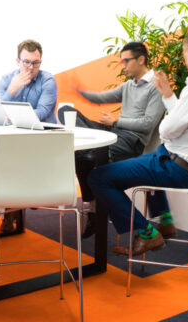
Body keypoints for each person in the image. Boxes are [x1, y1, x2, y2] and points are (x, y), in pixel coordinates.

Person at [87, 26, 188, 255]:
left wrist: (123, 121)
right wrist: (168, 95)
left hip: (177, 167)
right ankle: (163, 222)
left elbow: (167, 129)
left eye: (185, 53)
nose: (185, 58)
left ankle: (147, 233)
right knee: (139, 162)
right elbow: (184, 122)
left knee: (98, 177)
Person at [57, 41, 165, 238]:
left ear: (141, 59)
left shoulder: (155, 88)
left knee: (84, 156)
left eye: (126, 60)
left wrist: (116, 121)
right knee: (65, 111)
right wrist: (78, 90)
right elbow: (100, 98)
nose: (123, 65)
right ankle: (94, 203)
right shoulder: (128, 86)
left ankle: (93, 209)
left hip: (131, 141)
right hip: (114, 133)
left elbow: (148, 124)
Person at [0, 39, 58, 232]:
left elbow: (43, 113)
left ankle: (10, 207)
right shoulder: (7, 80)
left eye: (35, 63)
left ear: (41, 61)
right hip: (14, 136)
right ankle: (7, 204)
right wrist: (12, 90)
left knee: (11, 158)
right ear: (17, 61)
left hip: (40, 137)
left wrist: (11, 116)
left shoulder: (48, 80)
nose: (31, 67)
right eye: (26, 62)